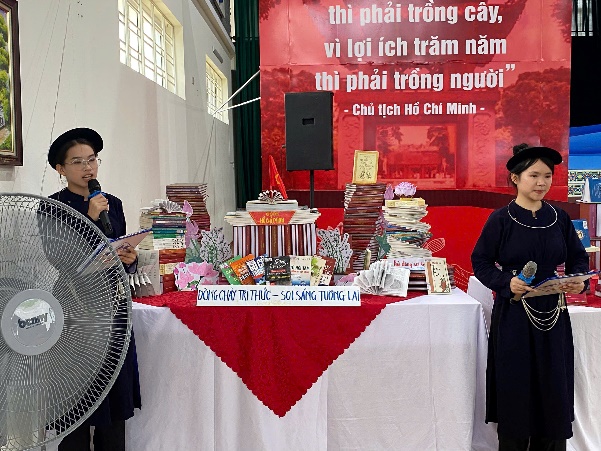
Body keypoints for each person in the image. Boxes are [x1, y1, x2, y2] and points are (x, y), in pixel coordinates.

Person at [471, 143, 589, 450]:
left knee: (553, 385)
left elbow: (578, 258)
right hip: (513, 313)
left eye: (547, 176)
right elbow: (481, 261)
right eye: (534, 175)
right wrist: (505, 282)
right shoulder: (501, 219)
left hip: (553, 313)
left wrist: (578, 280)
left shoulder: (560, 218)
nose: (541, 183)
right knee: (516, 385)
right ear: (515, 178)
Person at [47, 127, 141, 451]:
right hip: (75, 314)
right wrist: (88, 216)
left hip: (113, 308)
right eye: (77, 162)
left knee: (113, 407)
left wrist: (129, 259)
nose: (88, 168)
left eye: (92, 159)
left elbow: (118, 250)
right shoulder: (51, 207)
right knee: (76, 403)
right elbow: (59, 258)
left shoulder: (112, 203)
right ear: (61, 169)